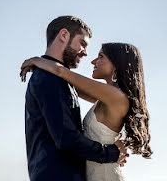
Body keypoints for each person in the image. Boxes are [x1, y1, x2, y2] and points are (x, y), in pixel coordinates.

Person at [21, 36, 153, 181]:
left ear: (116, 64)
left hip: (105, 175)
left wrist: (37, 61)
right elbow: (70, 85)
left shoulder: (115, 96)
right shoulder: (106, 97)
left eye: (100, 56)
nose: (93, 61)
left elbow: (62, 73)